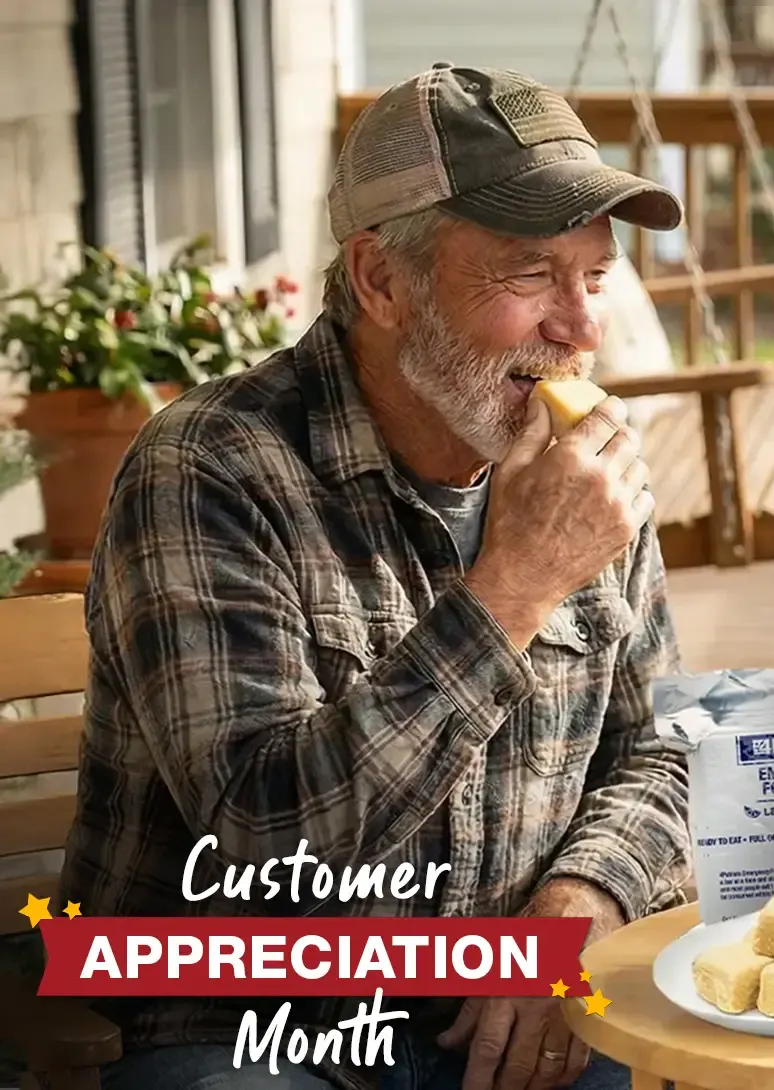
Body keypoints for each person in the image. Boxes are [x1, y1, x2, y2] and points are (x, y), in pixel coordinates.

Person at [59, 64, 690, 1090]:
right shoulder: (209, 468)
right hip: (247, 1022)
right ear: (382, 281)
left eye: (595, 277)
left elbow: (665, 751)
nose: (577, 327)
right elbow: (267, 849)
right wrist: (514, 588)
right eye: (531, 276)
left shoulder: (592, 470)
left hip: (504, 1004)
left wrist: (584, 898)